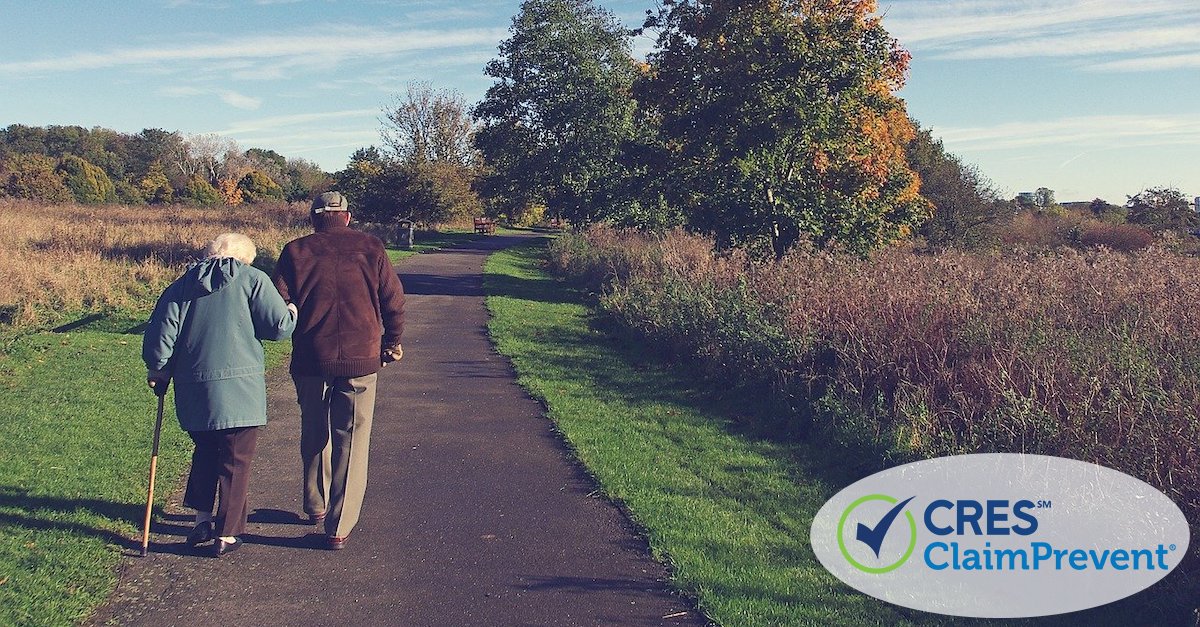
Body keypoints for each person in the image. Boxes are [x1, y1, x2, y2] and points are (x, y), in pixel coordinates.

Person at [142, 233, 297, 557]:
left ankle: (201, 519)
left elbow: (161, 336)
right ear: (245, 258)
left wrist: (158, 369)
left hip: (194, 389)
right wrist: (292, 310)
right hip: (240, 390)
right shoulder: (253, 280)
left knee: (205, 451)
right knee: (236, 459)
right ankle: (226, 533)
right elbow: (279, 327)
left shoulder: (181, 285)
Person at [272, 191, 405, 550]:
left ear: (314, 218)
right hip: (361, 356)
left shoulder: (295, 251)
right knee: (352, 438)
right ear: (347, 217)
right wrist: (392, 341)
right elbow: (393, 299)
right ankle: (338, 525)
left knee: (313, 428)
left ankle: (315, 502)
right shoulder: (371, 247)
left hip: (310, 356)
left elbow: (279, 303)